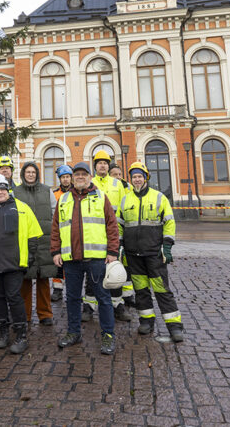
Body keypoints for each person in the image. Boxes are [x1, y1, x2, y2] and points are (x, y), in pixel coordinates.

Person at [51, 161, 120, 355]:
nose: (80, 177)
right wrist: (55, 251)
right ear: (72, 178)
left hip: (97, 259)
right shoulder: (64, 199)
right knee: (72, 298)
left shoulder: (100, 197)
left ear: (89, 177)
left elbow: (112, 226)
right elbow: (55, 228)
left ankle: (108, 335)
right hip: (71, 259)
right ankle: (74, 332)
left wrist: (113, 252)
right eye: (77, 174)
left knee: (103, 298)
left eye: (83, 174)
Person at [0, 174, 43, 353]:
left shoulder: (22, 208)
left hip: (14, 264)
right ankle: (3, 333)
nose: (0, 192)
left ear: (8, 190)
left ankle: (21, 335)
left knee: (14, 297)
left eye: (3, 188)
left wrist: (31, 257)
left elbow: (33, 235)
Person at [119, 162, 183, 342]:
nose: (137, 180)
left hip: (154, 253)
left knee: (162, 289)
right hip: (133, 254)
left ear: (145, 178)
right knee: (141, 290)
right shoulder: (125, 199)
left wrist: (167, 245)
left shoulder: (159, 197)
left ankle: (175, 327)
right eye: (134, 177)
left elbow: (169, 222)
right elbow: (120, 225)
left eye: (140, 176)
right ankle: (146, 321)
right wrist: (120, 245)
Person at [90, 150, 132, 322]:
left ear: (109, 166)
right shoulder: (90, 183)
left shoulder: (118, 184)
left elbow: (124, 208)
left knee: (115, 270)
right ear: (95, 166)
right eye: (99, 163)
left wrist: (123, 234)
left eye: (105, 163)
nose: (103, 165)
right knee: (92, 271)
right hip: (94, 234)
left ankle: (117, 305)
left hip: (113, 233)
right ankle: (89, 306)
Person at [14, 161, 56, 326]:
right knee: (25, 279)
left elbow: (54, 212)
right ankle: (25, 314)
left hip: (44, 239)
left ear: (37, 174)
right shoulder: (16, 192)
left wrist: (53, 234)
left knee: (43, 278)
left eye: (33, 172)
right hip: (24, 240)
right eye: (28, 172)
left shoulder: (47, 191)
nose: (30, 174)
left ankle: (45, 314)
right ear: (23, 174)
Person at [50, 163, 73, 302]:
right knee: (57, 264)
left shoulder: (76, 193)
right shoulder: (54, 194)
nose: (65, 180)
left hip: (72, 233)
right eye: (63, 177)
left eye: (67, 177)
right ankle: (57, 289)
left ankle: (71, 289)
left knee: (71, 264)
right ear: (60, 179)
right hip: (59, 233)